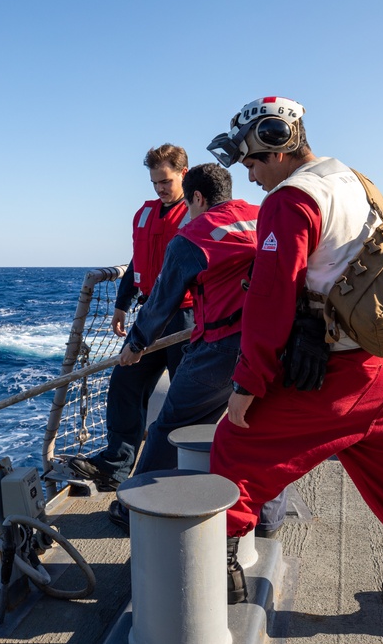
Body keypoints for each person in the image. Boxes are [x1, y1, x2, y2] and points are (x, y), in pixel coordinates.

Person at [206, 96, 383, 639]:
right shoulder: (353, 179)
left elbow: (271, 297)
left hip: (349, 376)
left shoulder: (290, 200)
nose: (249, 177)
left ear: (273, 141)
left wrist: (247, 384)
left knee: (236, 444)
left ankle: (219, 576)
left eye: (249, 162)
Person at [105, 162, 260, 532]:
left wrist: (136, 343)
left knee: (170, 425)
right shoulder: (262, 217)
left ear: (197, 197)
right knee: (256, 428)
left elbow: (161, 300)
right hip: (273, 346)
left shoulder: (194, 235)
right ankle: (265, 519)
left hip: (222, 349)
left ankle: (136, 510)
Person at [69, 145, 194, 491]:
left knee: (185, 396)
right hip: (150, 314)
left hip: (186, 317)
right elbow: (137, 261)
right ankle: (116, 465)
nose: (159, 189)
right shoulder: (143, 214)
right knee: (125, 383)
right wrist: (122, 304)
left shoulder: (198, 215)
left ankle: (182, 472)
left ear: (184, 173)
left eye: (165, 181)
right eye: (154, 183)